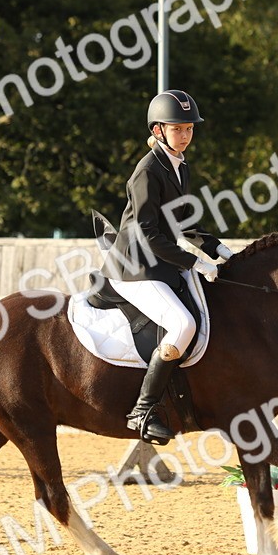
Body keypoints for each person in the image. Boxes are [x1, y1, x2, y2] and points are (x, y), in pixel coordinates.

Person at [100, 89, 234, 444]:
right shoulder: (147, 170)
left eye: (189, 128)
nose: (186, 135)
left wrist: (220, 249)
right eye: (178, 129)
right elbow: (146, 233)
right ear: (158, 130)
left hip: (160, 264)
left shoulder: (179, 165)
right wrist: (195, 261)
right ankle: (142, 409)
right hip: (134, 267)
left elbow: (184, 222)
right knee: (182, 323)